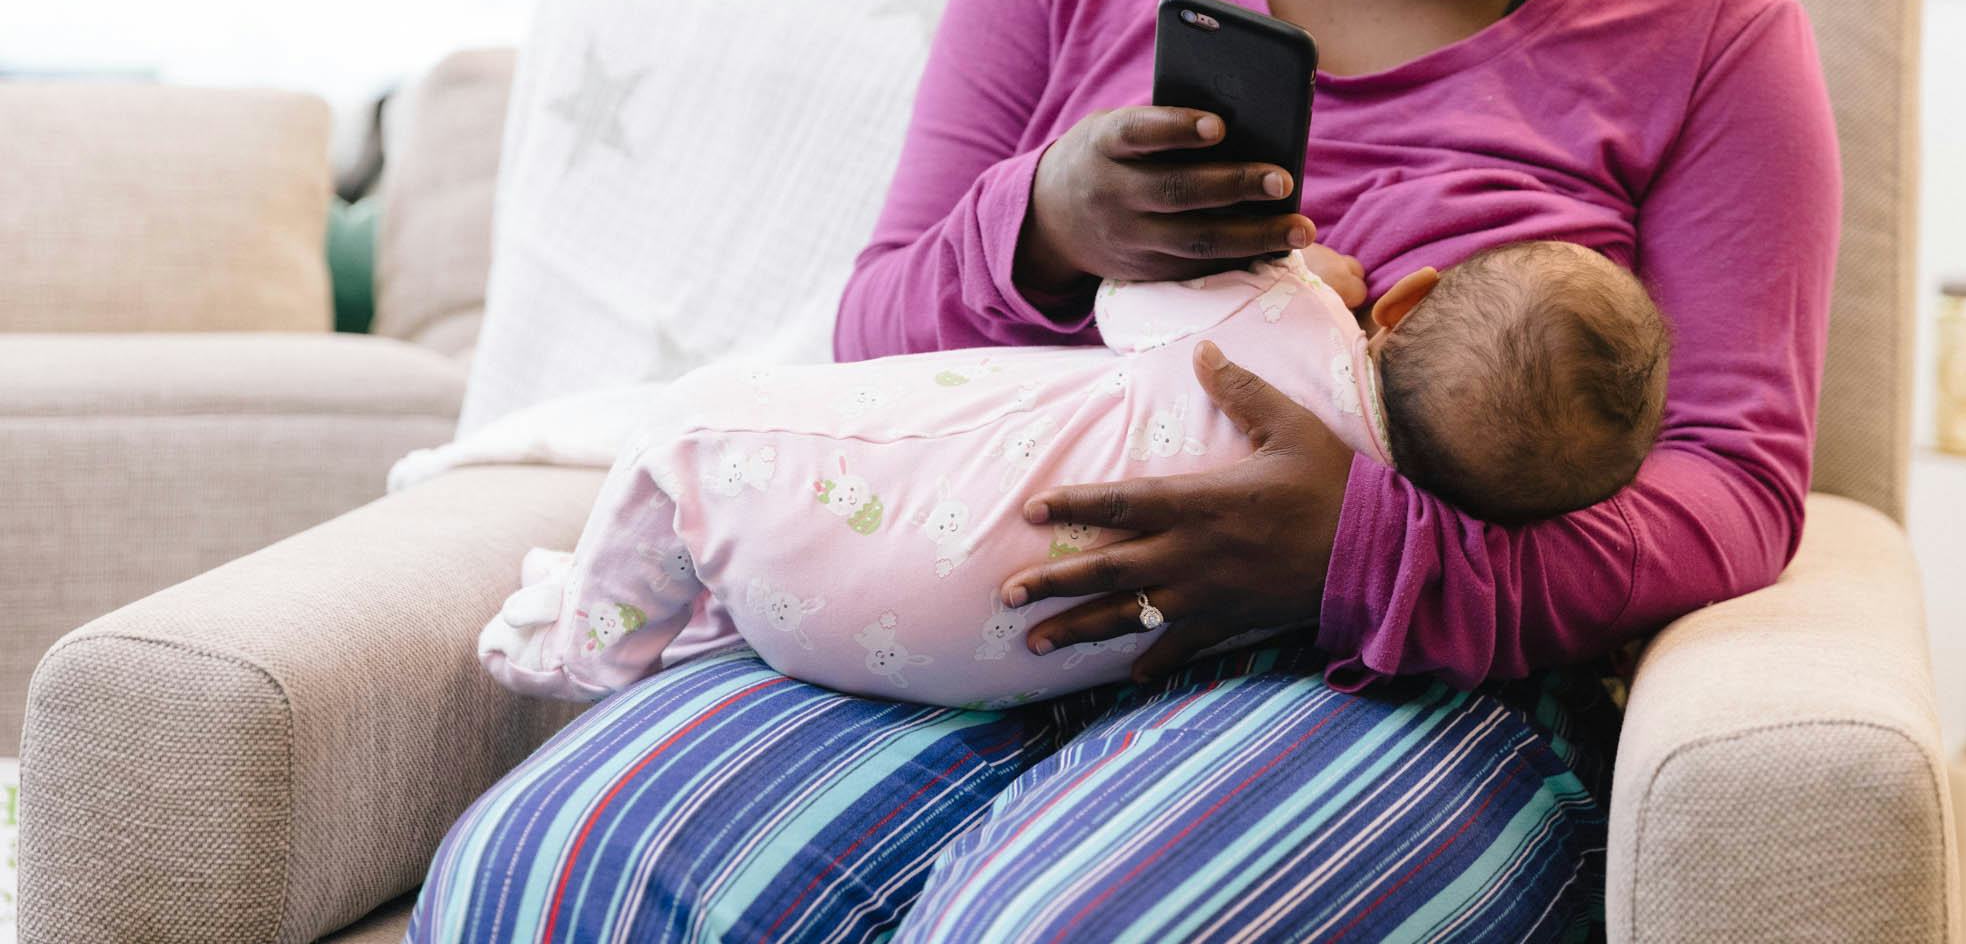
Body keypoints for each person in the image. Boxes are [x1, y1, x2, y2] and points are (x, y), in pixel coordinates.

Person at [407, 0, 1838, 936]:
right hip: (966, 597)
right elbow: (875, 335)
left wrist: (1360, 553)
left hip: (1398, 678)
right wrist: (1047, 226)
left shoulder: (1714, 33)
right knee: (545, 871)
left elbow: (1734, 485)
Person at [472, 240, 1671, 710]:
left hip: (842, 558)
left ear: (1403, 304)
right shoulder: (1359, 572)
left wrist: (1301, 271)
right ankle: (701, 616)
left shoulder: (1281, 316)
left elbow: (1125, 295)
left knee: (685, 438)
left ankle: (586, 646)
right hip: (968, 662)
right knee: (790, 533)